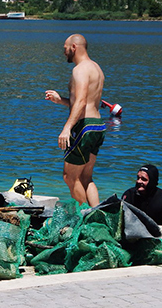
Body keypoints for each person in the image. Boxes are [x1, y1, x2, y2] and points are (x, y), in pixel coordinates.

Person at [45, 34, 106, 207]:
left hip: (83, 127)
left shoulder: (80, 70)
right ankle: (97, 214)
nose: (64, 52)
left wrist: (67, 128)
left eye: (65, 48)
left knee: (70, 176)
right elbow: (89, 102)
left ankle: (85, 217)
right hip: (97, 126)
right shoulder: (96, 68)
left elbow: (80, 102)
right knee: (86, 177)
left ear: (74, 47)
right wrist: (61, 100)